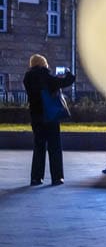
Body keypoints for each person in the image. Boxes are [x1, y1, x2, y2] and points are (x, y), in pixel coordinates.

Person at [23, 54, 75, 186]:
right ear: (43, 64)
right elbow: (66, 82)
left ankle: (36, 178)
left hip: (36, 116)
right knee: (54, 147)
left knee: (39, 147)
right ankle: (57, 177)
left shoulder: (27, 78)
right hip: (50, 116)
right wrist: (68, 73)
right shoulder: (46, 76)